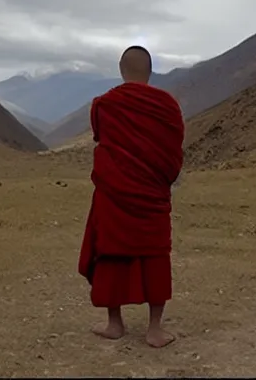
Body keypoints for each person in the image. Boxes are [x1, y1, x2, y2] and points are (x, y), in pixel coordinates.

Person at [78, 45, 185, 348]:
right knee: (154, 255)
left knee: (110, 250)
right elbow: (172, 149)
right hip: (151, 193)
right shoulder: (167, 105)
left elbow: (103, 138)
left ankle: (115, 324)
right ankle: (154, 329)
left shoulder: (106, 104)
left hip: (115, 191)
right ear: (150, 71)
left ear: (122, 70)